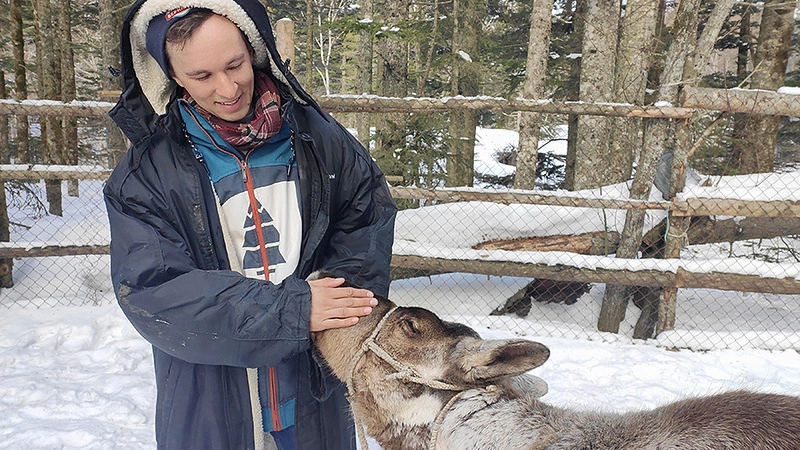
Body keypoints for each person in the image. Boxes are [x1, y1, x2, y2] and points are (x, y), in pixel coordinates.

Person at [103, 1, 397, 449]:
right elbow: (153, 292)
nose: (227, 88)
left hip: (315, 397)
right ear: (172, 76)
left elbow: (364, 223)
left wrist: (338, 305)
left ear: (254, 48)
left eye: (234, 64)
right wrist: (293, 311)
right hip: (209, 412)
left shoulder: (321, 140)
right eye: (201, 76)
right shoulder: (145, 176)